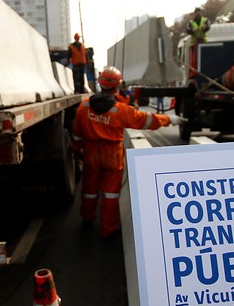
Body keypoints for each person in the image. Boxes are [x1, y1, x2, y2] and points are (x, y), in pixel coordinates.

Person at [71, 66, 186, 239]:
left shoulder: (83, 106)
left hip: (91, 153)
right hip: (112, 154)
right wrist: (170, 119)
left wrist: (76, 149)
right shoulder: (121, 110)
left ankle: (87, 218)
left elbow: (77, 133)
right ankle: (108, 229)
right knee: (110, 193)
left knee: (89, 189)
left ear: (100, 83)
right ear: (117, 87)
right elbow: (146, 120)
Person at [186, 7, 211, 83]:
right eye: (197, 12)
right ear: (195, 13)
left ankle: (205, 71)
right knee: (194, 59)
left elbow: (208, 26)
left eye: (199, 11)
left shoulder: (205, 20)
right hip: (194, 43)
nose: (198, 13)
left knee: (204, 59)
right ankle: (194, 72)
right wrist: (192, 30)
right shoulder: (191, 22)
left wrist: (205, 28)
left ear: (201, 12)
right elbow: (188, 29)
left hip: (203, 42)